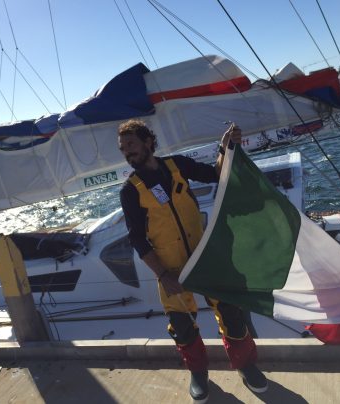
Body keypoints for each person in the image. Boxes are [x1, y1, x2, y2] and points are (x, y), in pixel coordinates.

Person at [118, 119, 268, 402]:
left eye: (131, 144)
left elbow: (217, 174)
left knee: (232, 313)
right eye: (123, 148)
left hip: (205, 257)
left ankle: (245, 365)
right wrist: (163, 275)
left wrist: (226, 147)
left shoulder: (177, 165)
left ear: (148, 142)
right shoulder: (130, 191)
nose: (127, 152)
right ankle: (198, 373)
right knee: (182, 325)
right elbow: (137, 240)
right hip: (170, 268)